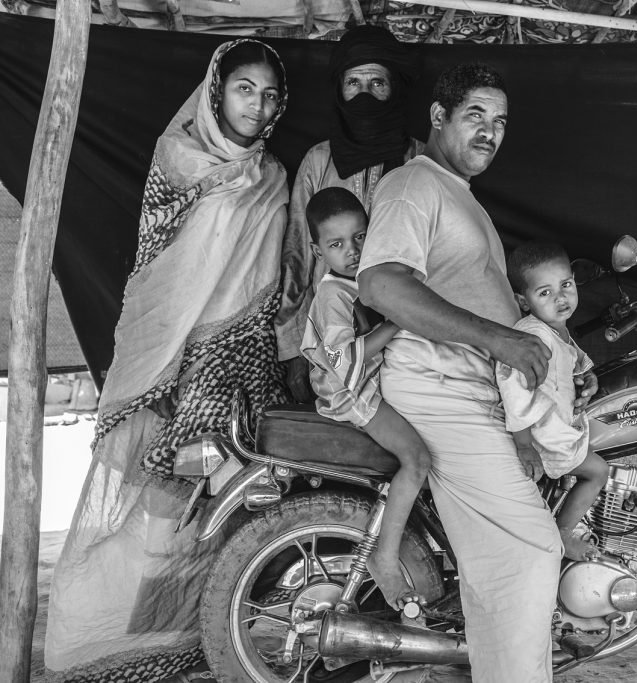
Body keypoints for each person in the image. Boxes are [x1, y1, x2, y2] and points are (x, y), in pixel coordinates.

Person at [44, 40, 290, 682]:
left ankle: (191, 638)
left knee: (220, 510)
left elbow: (275, 272)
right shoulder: (178, 159)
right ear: (215, 91)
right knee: (161, 504)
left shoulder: (274, 176)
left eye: (267, 95)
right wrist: (171, 368)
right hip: (176, 364)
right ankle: (123, 643)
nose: (256, 104)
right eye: (244, 88)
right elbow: (163, 272)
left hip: (243, 361)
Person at [357, 63, 597, 683]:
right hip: (438, 392)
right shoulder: (414, 185)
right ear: (438, 118)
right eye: (476, 117)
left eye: (500, 122)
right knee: (531, 550)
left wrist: (558, 370)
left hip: (471, 394)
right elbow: (382, 283)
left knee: (502, 563)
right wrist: (499, 340)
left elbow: (484, 305)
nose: (490, 132)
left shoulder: (460, 197)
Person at [300, 186, 430, 610]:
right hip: (352, 394)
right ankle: (385, 555)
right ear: (319, 252)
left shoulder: (360, 280)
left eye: (360, 237)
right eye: (336, 244)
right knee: (417, 458)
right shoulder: (332, 294)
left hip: (368, 384)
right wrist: (398, 318)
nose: (352, 251)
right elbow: (344, 360)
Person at [277, 24, 422, 402]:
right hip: (332, 341)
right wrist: (293, 349)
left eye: (378, 83)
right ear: (339, 90)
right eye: (353, 83)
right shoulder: (319, 160)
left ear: (395, 89)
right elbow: (297, 254)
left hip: (407, 337)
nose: (364, 94)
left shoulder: (419, 160)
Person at [497, 242, 609, 561]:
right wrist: (524, 445)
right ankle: (561, 535)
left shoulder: (553, 328)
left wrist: (587, 376)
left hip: (556, 426)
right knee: (598, 471)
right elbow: (514, 389)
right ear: (524, 300)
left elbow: (572, 356)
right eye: (545, 293)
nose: (560, 298)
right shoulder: (532, 336)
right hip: (543, 436)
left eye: (566, 285)